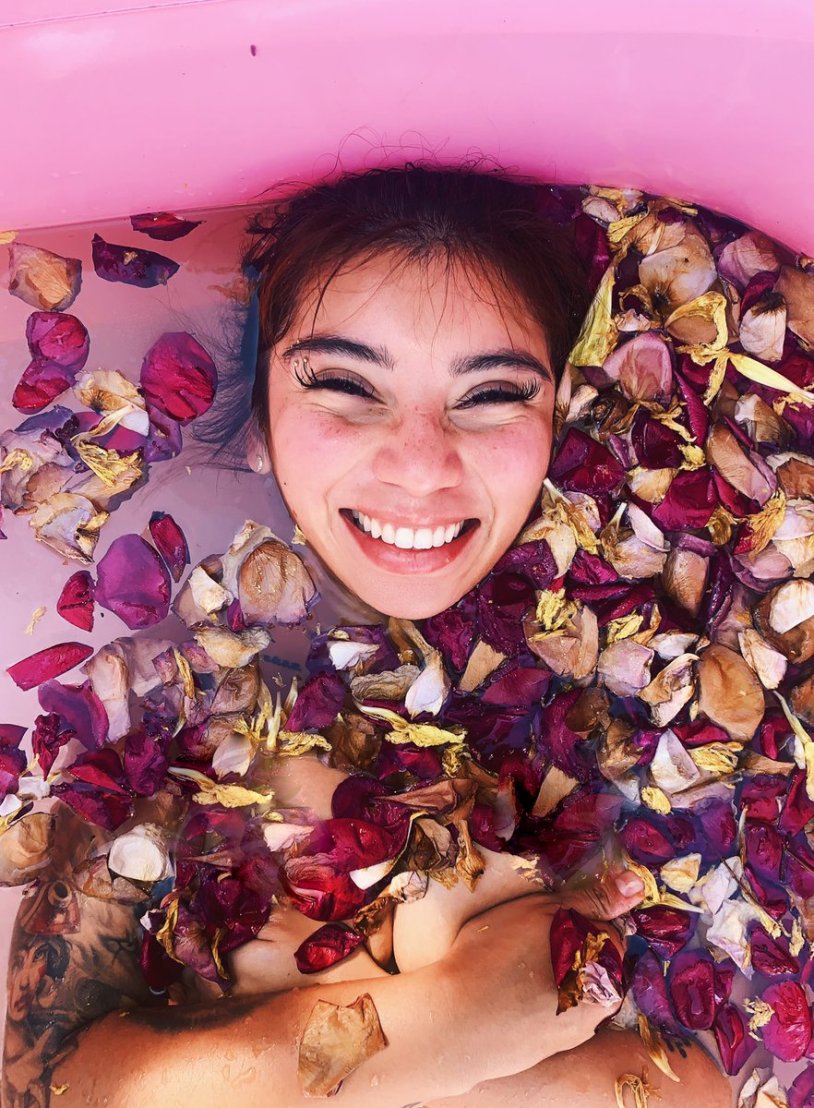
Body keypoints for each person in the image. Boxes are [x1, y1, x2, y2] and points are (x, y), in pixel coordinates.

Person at [2, 163, 733, 1107]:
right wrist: (447, 1020)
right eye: (347, 384)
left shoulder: (671, 700)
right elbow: (42, 1083)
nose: (421, 467)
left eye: (492, 394)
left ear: (561, 418)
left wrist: (399, 1031)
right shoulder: (172, 704)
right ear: (259, 423)